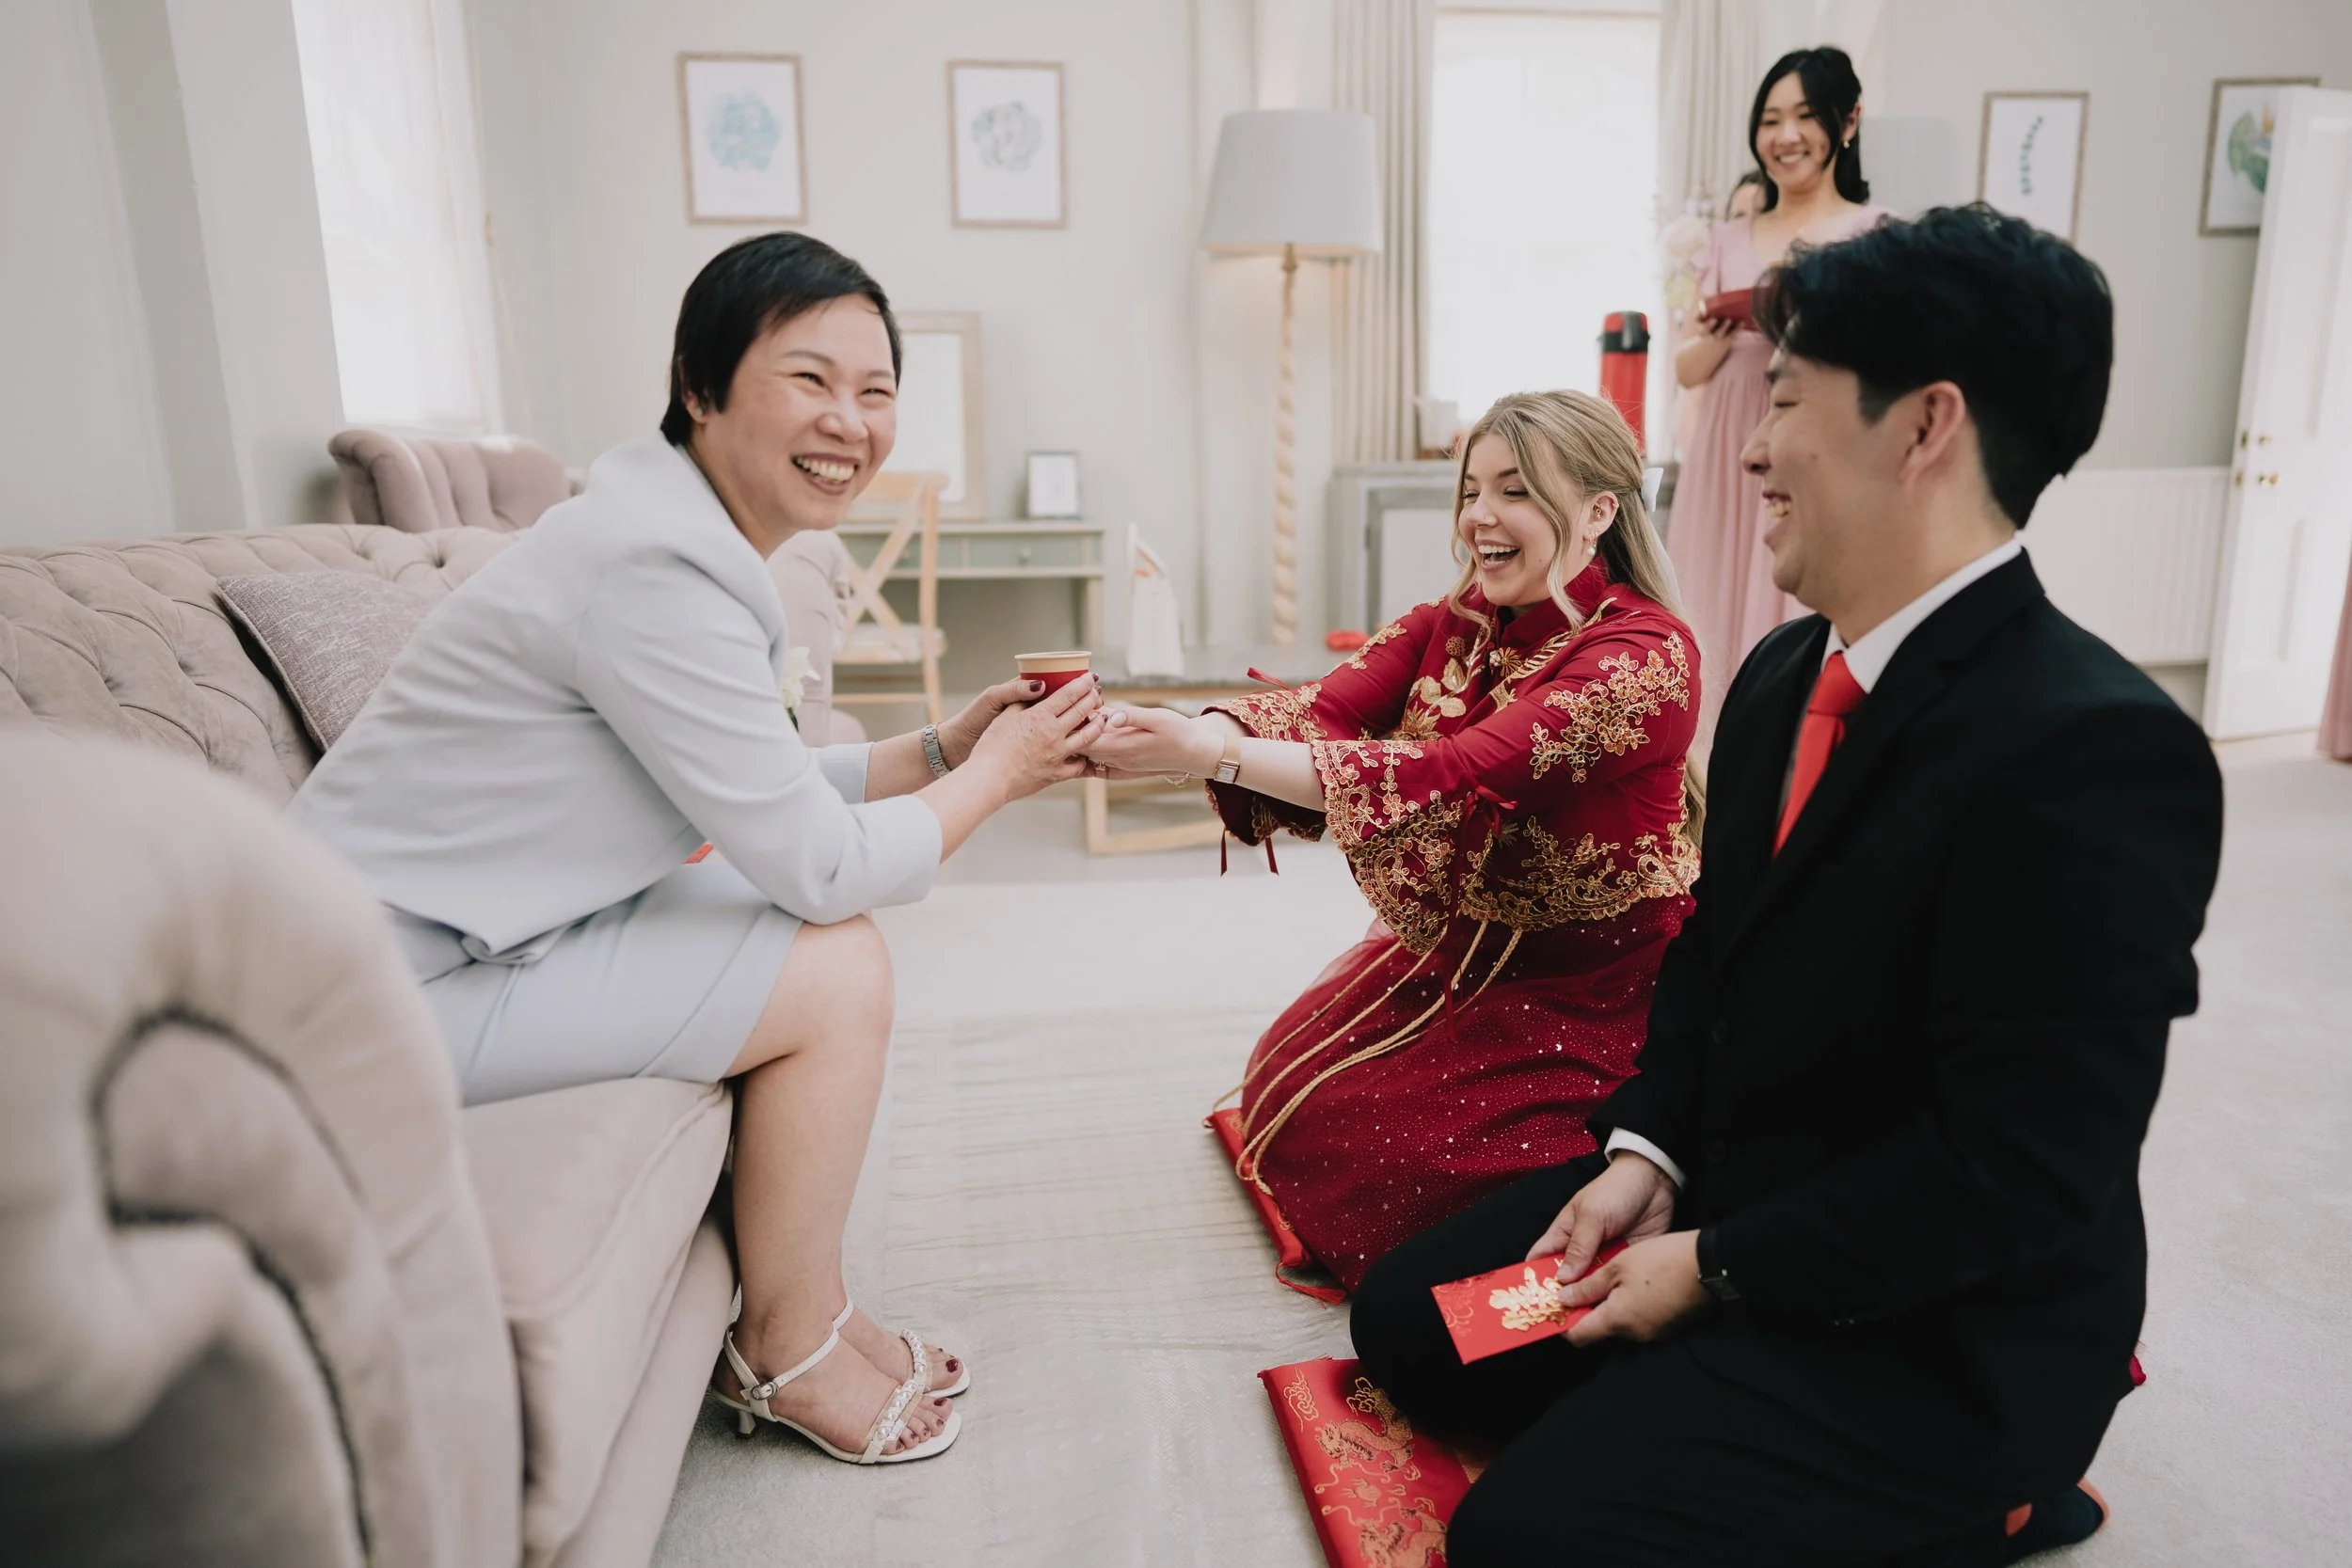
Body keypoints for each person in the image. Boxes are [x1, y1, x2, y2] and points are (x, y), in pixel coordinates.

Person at [1347, 205, 2225, 1566]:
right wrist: (1648, 1161)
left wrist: (1707, 1269)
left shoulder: (2099, 749)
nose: (1750, 442)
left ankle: (1995, 1495)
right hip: (1739, 1199)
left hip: (1939, 1324)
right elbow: (1709, 959)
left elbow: (2014, 1178)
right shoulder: (1773, 678)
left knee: (1520, 1540)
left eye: (1794, 399)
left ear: (1924, 427)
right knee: (1413, 1322)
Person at [292, 233, 1107, 1465]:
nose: (850, 421)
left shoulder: (668, 534)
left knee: (792, 922)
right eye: (809, 378)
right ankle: (787, 1347)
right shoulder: (653, 567)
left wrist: (942, 747)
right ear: (700, 383)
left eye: (877, 390)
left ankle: (808, 1308)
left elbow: (760, 789)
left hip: (438, 940)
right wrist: (1003, 777)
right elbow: (818, 866)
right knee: (835, 959)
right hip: (370, 993)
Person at [1083, 390, 1703, 1294]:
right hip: (1464, 952)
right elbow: (1326, 706)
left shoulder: (1644, 658)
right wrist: (1192, 726)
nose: (1480, 517)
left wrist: (1210, 752)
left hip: (1596, 986)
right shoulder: (1457, 618)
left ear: (1600, 511)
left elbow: (1456, 772)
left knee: (1385, 1161)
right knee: (1296, 1097)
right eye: (1472, 489)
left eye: (1516, 491)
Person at [1672, 46, 1889, 712]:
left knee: (1796, 603)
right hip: (1726, 446)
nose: (1785, 135)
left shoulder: (1874, 234)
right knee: (1709, 600)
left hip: (1818, 441)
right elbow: (1685, 368)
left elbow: (1888, 361)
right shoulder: (1725, 238)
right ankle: (1705, 778)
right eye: (1770, 119)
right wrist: (1712, 337)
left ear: (1846, 123)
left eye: (1804, 116)